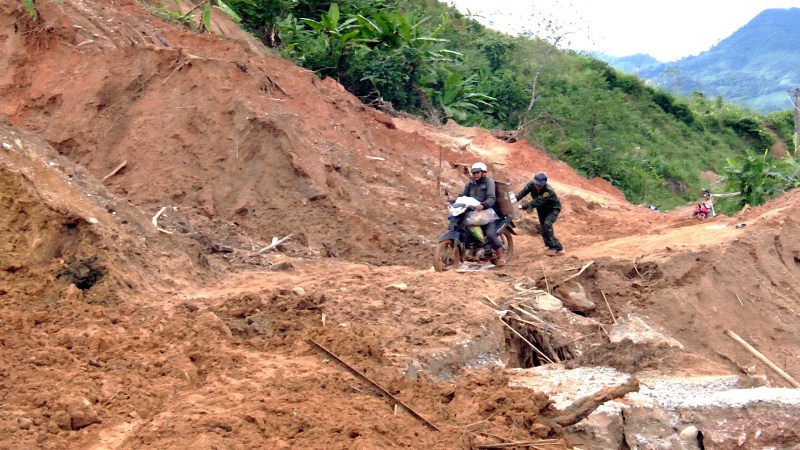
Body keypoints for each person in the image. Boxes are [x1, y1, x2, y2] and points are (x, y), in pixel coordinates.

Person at [461, 162, 506, 266]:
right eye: (474, 172)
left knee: (490, 234)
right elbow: (463, 196)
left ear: (483, 172)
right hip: (474, 214)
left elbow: (491, 198)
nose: (475, 174)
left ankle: (501, 255)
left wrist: (483, 205)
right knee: (463, 228)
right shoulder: (470, 184)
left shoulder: (489, 182)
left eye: (477, 172)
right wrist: (454, 201)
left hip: (488, 213)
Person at [517, 172, 565, 256]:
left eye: (539, 185)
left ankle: (558, 248)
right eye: (536, 184)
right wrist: (512, 200)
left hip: (552, 209)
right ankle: (549, 246)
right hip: (541, 209)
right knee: (543, 227)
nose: (537, 186)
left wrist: (522, 206)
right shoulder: (531, 185)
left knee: (547, 224)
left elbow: (537, 201)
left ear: (544, 184)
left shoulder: (548, 191)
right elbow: (521, 194)